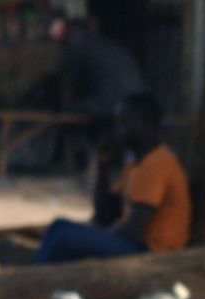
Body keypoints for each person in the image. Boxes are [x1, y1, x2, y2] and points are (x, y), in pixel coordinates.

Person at [31, 92, 190, 265]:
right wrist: (104, 166)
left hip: (152, 252)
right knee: (58, 226)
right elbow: (104, 214)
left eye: (124, 123)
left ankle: (34, 278)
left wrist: (98, 235)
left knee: (63, 237)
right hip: (134, 243)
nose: (118, 131)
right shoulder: (136, 164)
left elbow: (134, 231)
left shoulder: (157, 163)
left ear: (145, 125)